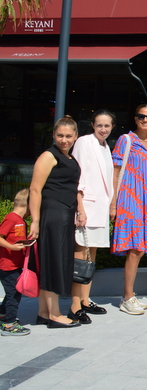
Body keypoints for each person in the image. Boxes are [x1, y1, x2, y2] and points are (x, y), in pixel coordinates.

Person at [28, 116, 85, 328]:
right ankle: (54, 314)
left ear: (75, 136)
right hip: (53, 214)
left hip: (64, 214)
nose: (64, 139)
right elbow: (35, 189)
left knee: (52, 260)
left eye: (68, 136)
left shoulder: (68, 157)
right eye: (60, 135)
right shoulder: (48, 156)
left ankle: (44, 312)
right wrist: (35, 221)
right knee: (54, 262)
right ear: (53, 135)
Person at [111, 105, 147, 315]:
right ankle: (127, 296)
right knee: (134, 249)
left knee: (140, 249)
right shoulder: (126, 140)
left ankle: (130, 295)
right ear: (135, 118)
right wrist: (113, 203)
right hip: (130, 201)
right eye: (141, 116)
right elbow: (114, 173)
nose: (145, 119)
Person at [71, 109, 115, 319]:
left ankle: (85, 300)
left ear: (112, 127)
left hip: (100, 209)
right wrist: (80, 208)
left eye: (107, 126)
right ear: (92, 125)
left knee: (92, 256)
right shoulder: (84, 142)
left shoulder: (106, 146)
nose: (103, 129)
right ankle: (74, 305)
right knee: (80, 256)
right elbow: (77, 176)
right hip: (86, 209)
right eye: (99, 125)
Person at [0, 189, 32, 336]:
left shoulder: (21, 221)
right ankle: (9, 324)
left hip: (16, 265)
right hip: (7, 265)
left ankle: (3, 315)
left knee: (11, 292)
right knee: (14, 294)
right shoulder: (12, 218)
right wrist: (12, 247)